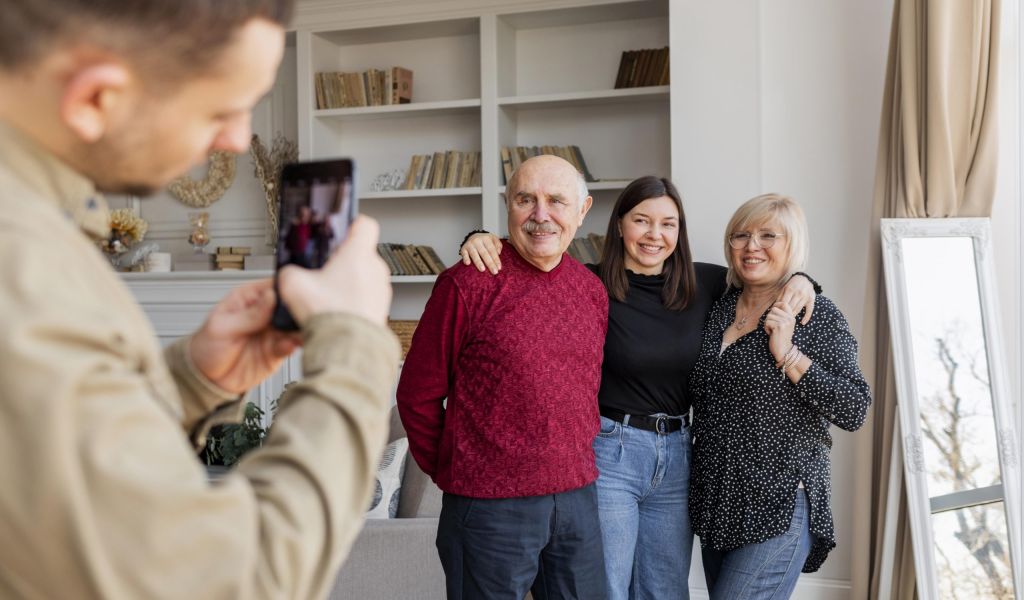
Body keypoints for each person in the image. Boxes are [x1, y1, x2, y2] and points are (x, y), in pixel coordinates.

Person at [0, 2, 399, 598]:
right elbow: (226, 582)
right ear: (95, 98)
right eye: (222, 108)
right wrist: (355, 344)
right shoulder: (25, 266)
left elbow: (37, 479)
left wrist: (190, 381)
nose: (240, 139)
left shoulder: (42, 227)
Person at [458, 177, 818, 600]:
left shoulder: (709, 285)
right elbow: (533, 255)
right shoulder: (585, 285)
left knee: (664, 587)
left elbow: (765, 270)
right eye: (641, 221)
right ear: (618, 226)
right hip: (611, 450)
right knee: (605, 584)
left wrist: (804, 280)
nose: (654, 234)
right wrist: (478, 237)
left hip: (680, 454)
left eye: (668, 224)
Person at [397, 155, 609, 600]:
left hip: (576, 499)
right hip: (489, 506)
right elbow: (417, 395)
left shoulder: (591, 290)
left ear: (583, 210)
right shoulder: (467, 284)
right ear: (507, 204)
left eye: (556, 201)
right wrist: (457, 471)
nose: (541, 215)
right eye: (525, 199)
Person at [688, 193, 871, 599]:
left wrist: (787, 353)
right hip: (717, 502)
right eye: (741, 235)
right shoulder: (717, 308)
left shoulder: (814, 315)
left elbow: (854, 407)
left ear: (793, 245)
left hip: (780, 504)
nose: (752, 246)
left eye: (768, 235)